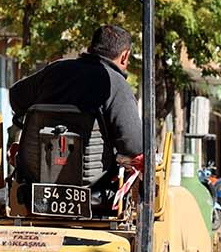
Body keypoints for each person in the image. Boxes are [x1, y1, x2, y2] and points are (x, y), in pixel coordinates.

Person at [9, 23, 144, 202]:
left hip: (35, 182)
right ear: (125, 56)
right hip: (96, 189)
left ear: (90, 48)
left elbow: (16, 97)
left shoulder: (55, 70)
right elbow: (134, 146)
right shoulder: (116, 85)